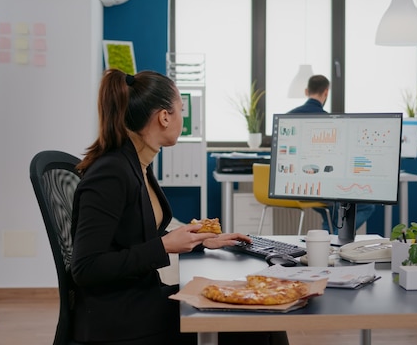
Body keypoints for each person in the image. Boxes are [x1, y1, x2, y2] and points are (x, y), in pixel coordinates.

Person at [71, 69, 289, 345]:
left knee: (259, 313)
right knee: (259, 322)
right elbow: (86, 268)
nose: (183, 118)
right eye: (181, 110)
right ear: (164, 117)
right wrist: (165, 246)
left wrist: (199, 240)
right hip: (118, 320)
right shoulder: (111, 173)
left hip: (138, 301)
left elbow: (130, 238)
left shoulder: (137, 165)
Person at [288, 75, 376, 233]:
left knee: (332, 211)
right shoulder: (330, 121)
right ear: (326, 92)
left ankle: (328, 240)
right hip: (319, 189)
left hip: (294, 187)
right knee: (366, 205)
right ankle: (336, 236)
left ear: (306, 91)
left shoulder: (288, 117)